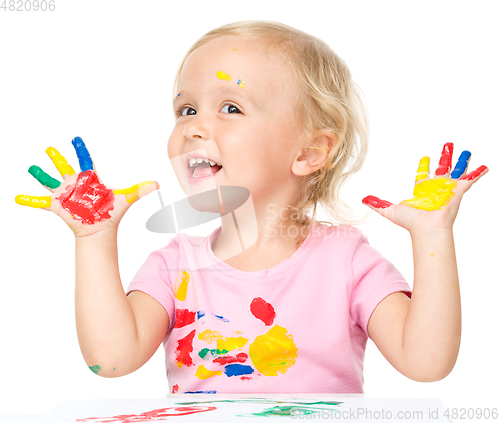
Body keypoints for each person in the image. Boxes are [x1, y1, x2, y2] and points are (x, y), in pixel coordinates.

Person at [15, 20, 488, 394]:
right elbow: (111, 361)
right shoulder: (173, 265)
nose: (194, 128)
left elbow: (426, 365)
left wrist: (432, 238)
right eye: (186, 109)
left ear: (309, 152)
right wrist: (95, 240)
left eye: (231, 108)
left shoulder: (347, 261)